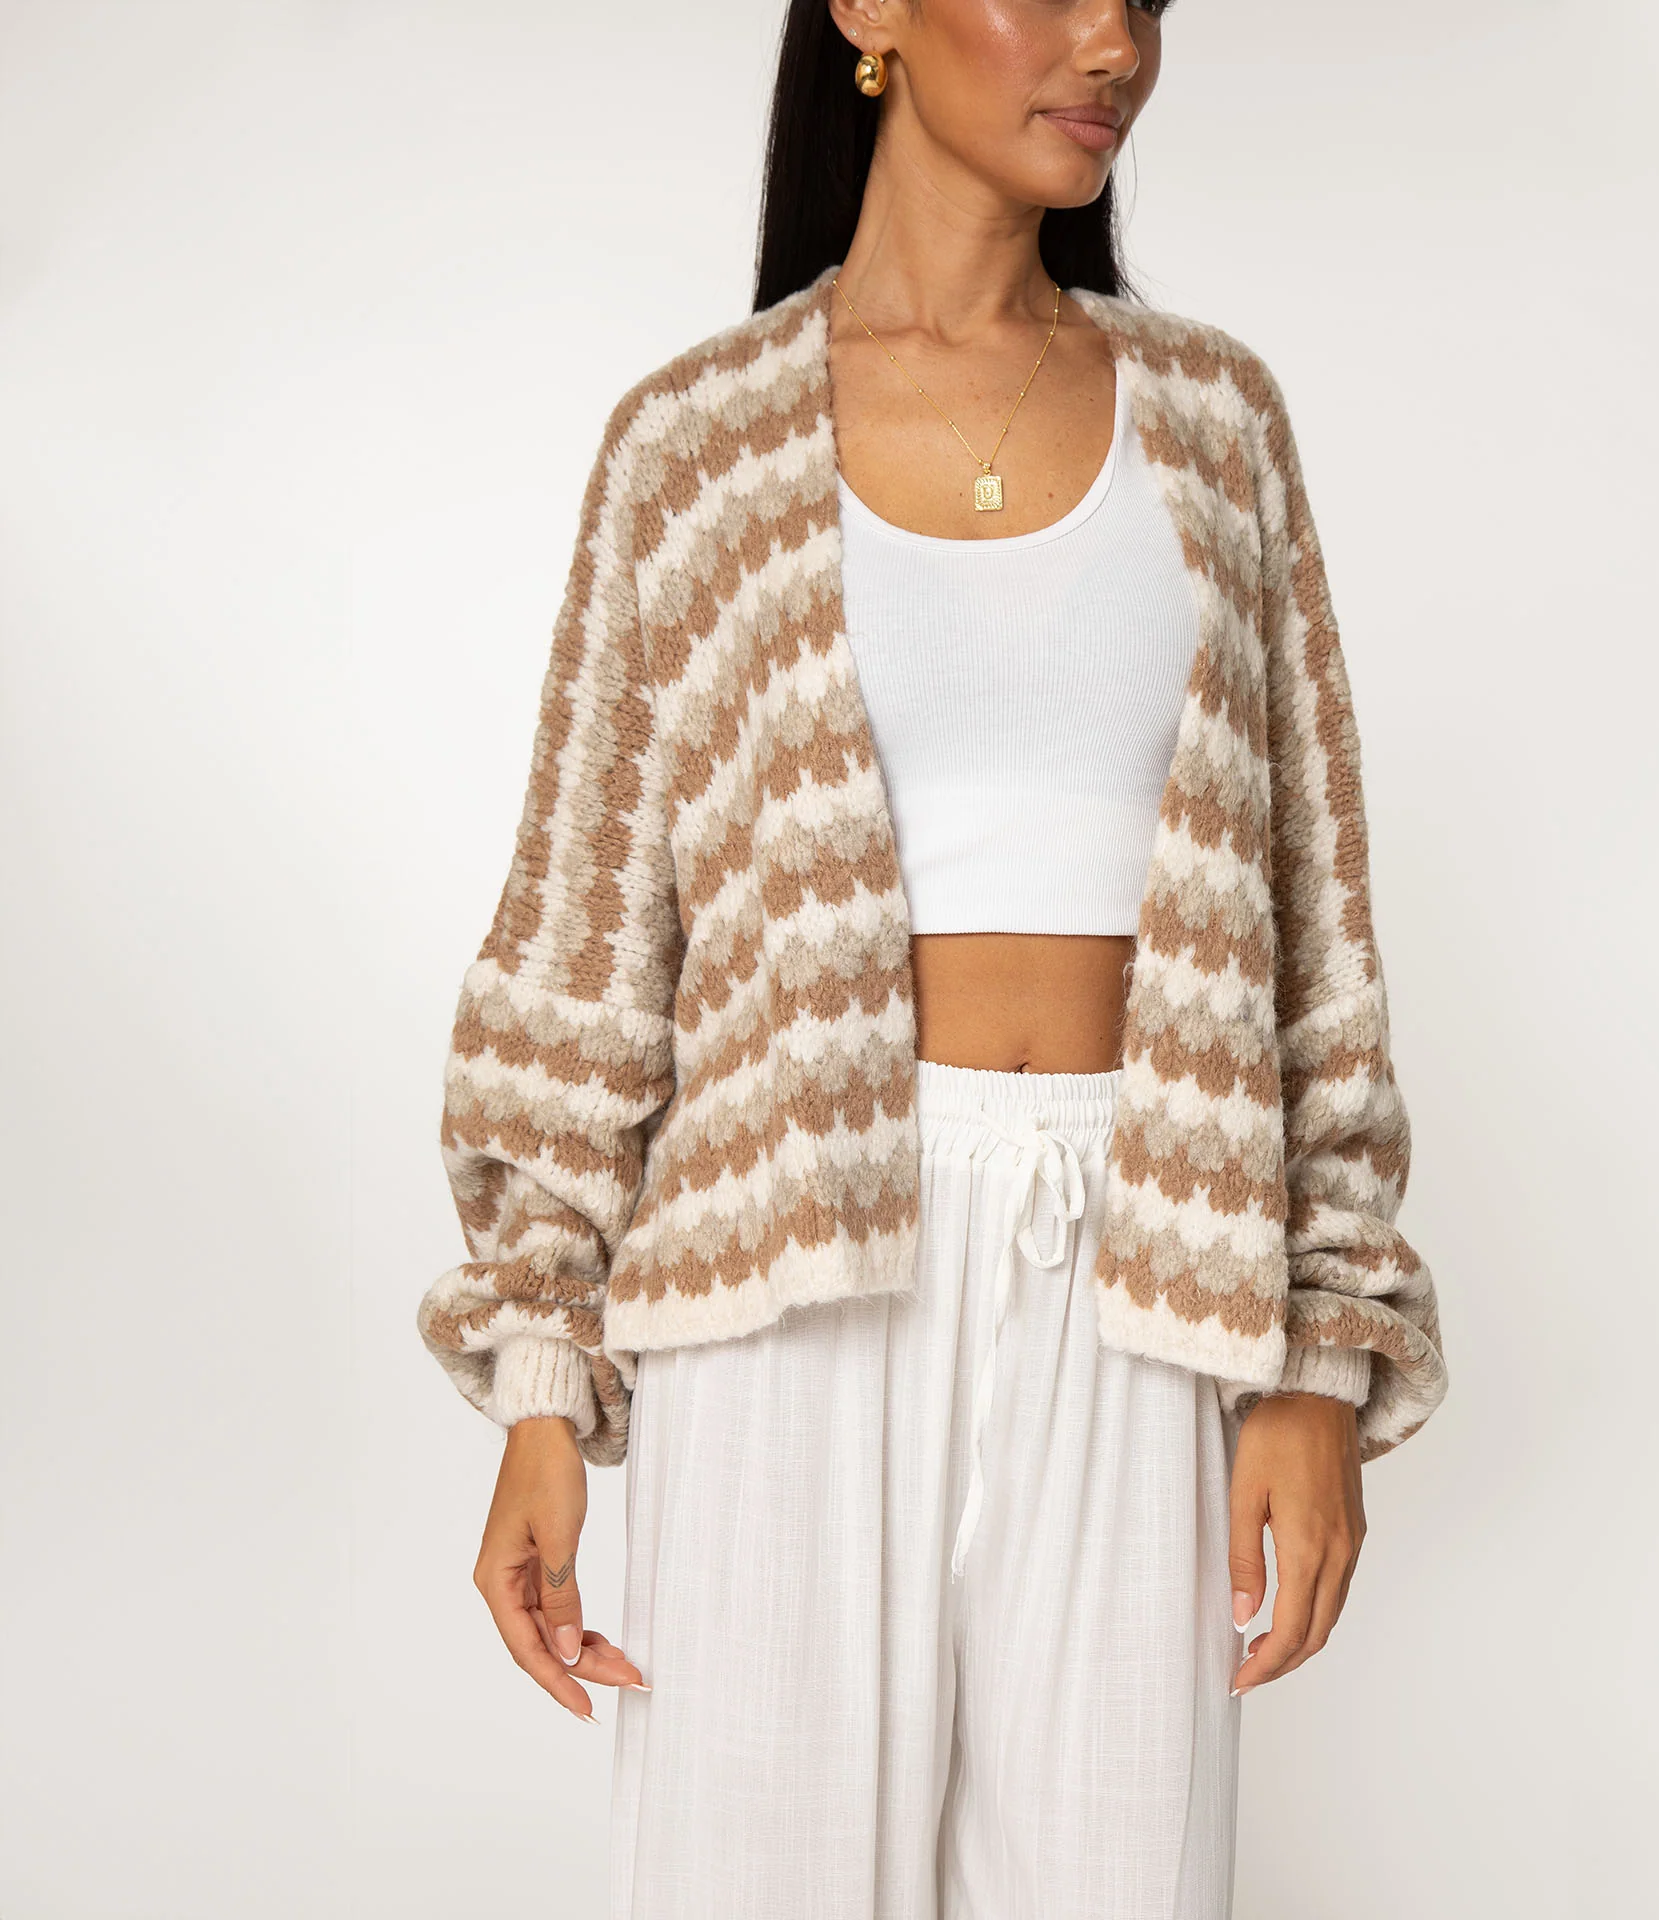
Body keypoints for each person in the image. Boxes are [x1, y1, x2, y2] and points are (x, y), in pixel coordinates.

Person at [416, 1, 1448, 1912]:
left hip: (1146, 1274)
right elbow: (584, 937)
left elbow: (1315, 930)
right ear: (869, 10)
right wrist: (542, 1379)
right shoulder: (693, 447)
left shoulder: (1215, 425)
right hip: (778, 1289)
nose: (1113, 41)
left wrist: (1320, 1358)